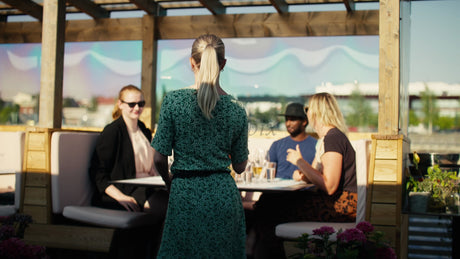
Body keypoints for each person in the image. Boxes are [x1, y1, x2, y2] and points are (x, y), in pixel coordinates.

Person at [152, 34, 249, 258]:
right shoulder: (236, 109)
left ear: (191, 61)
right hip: (223, 194)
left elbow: (158, 158)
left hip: (185, 192)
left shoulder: (173, 101)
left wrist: (170, 183)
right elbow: (241, 166)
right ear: (223, 64)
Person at [253, 92, 357, 259]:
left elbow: (330, 186)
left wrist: (300, 162)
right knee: (268, 203)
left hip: (340, 207)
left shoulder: (333, 139)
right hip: (333, 202)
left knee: (268, 207)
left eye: (308, 108)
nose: (307, 112)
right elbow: (318, 174)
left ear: (317, 111)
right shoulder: (327, 139)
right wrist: (303, 174)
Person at [89, 84, 168, 217]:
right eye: (131, 104)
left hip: (147, 187)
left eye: (141, 103)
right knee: (168, 206)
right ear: (120, 104)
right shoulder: (112, 132)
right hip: (123, 191)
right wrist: (121, 197)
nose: (137, 108)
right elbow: (97, 173)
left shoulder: (144, 130)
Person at [268, 102, 317, 179]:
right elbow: (268, 174)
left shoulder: (316, 146)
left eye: (292, 120)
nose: (288, 124)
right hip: (278, 190)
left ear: (304, 122)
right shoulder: (277, 145)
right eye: (287, 120)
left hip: (305, 190)